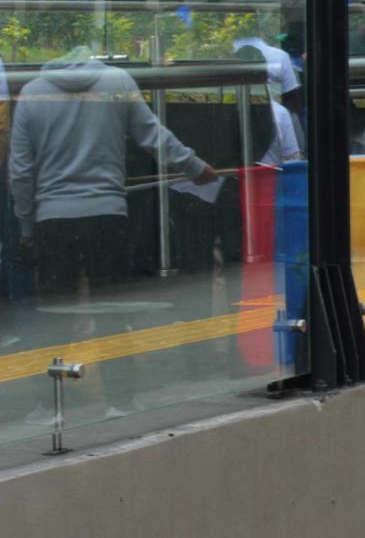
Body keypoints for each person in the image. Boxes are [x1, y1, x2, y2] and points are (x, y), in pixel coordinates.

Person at [9, 48, 216, 418]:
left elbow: (21, 171)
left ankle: (52, 407)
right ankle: (119, 402)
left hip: (52, 219)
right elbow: (153, 135)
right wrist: (195, 168)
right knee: (113, 313)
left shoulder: (33, 92)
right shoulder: (116, 81)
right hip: (107, 214)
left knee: (54, 316)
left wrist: (26, 224)